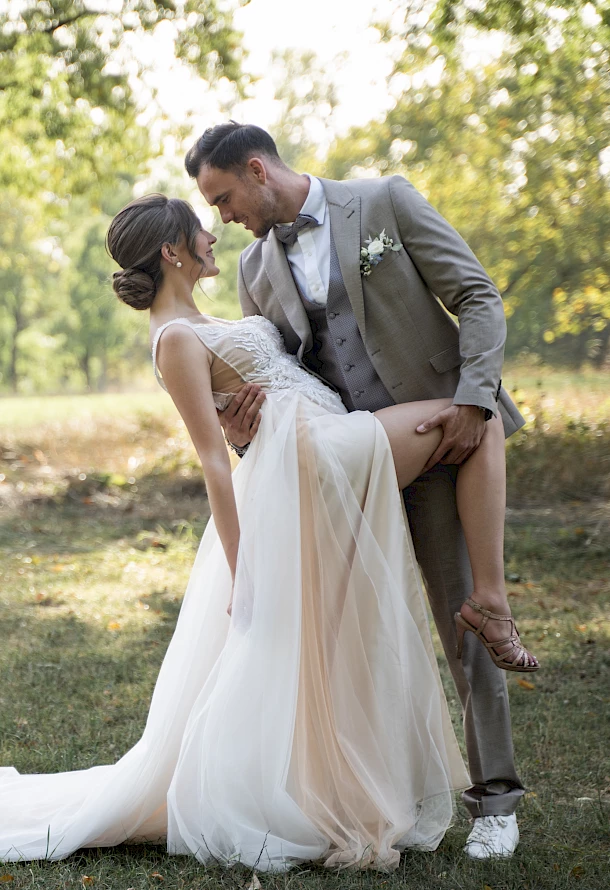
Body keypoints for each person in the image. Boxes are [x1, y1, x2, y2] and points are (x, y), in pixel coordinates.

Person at [0, 193, 535, 871]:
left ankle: (345, 773)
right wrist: (242, 566)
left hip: (320, 451)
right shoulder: (173, 341)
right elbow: (214, 466)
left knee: (329, 641)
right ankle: (489, 599)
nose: (213, 232)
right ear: (172, 252)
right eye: (202, 226)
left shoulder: (207, 318)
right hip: (319, 457)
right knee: (476, 413)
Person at [185, 122, 533, 860]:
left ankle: (496, 801)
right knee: (351, 640)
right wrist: (247, 433)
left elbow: (476, 294)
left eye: (223, 198)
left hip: (436, 443)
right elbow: (280, 383)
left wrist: (474, 398)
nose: (223, 217)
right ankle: (373, 795)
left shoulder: (383, 203)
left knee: (461, 617)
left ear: (256, 169)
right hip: (339, 468)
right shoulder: (253, 269)